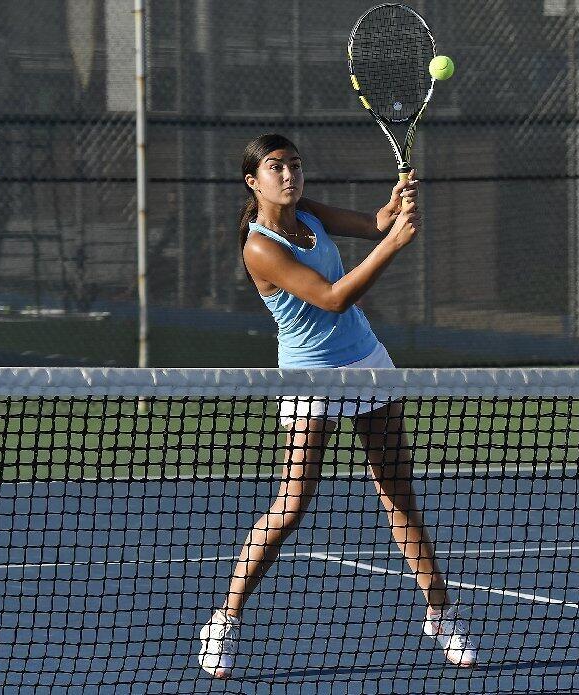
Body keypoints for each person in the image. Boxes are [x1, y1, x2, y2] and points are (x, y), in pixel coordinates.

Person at [197, 134, 477, 678]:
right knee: (293, 503)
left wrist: (393, 207)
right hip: (309, 376)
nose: (289, 175)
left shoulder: (310, 212)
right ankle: (224, 622)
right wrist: (393, 244)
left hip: (367, 361)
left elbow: (372, 223)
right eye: (276, 167)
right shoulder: (260, 246)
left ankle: (441, 614)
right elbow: (332, 297)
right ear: (253, 181)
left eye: (295, 166)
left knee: (398, 494)